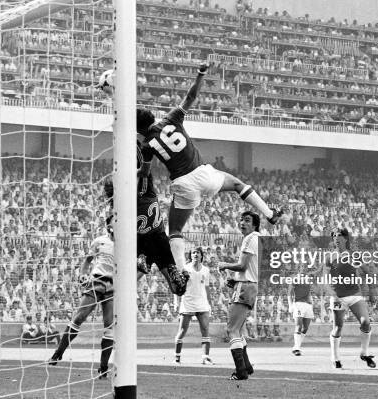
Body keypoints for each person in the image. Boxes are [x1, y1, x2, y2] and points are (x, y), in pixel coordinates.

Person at [137, 64, 283, 273]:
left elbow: (144, 172)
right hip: (204, 174)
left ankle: (180, 272)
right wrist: (200, 75)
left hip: (183, 183)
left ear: (139, 129)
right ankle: (270, 214)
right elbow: (191, 96)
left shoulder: (146, 145)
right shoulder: (171, 119)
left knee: (176, 230)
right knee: (237, 184)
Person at [103, 144, 189, 296]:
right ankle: (142, 262)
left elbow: (142, 168)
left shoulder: (139, 193)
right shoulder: (123, 205)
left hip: (153, 243)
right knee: (118, 288)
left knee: (178, 290)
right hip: (150, 243)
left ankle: (176, 274)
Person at [48, 216, 115, 379]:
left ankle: (103, 368)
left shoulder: (128, 243)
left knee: (109, 327)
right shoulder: (99, 241)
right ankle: (58, 354)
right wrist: (83, 275)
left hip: (114, 286)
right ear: (108, 225)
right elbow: (87, 261)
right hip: (97, 281)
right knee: (79, 318)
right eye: (114, 220)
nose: (117, 222)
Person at [324, 228, 376, 369]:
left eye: (339, 235)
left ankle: (364, 354)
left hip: (354, 295)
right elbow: (325, 279)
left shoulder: (354, 255)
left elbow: (367, 272)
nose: (336, 237)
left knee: (366, 322)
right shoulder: (329, 257)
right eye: (334, 235)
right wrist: (332, 294)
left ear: (346, 238)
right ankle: (335, 358)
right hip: (338, 297)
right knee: (338, 328)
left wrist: (371, 291)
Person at [218, 211, 260, 380]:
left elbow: (242, 265)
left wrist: (224, 265)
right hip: (250, 286)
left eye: (247, 220)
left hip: (246, 287)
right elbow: (249, 269)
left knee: (232, 329)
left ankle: (241, 372)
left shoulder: (250, 239)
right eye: (241, 219)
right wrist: (235, 280)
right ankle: (247, 367)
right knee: (239, 329)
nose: (242, 223)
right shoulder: (258, 239)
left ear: (255, 224)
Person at [174, 247, 213, 365]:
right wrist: (177, 302)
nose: (195, 254)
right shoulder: (185, 269)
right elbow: (179, 286)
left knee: (205, 330)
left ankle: (205, 358)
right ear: (190, 255)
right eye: (193, 253)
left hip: (202, 303)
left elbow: (206, 288)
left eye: (198, 253)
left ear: (202, 255)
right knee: (182, 331)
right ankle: (177, 358)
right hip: (188, 303)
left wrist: (210, 303)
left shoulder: (206, 270)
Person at [288, 265, 314, 356]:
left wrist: (311, 301)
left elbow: (309, 291)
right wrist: (290, 305)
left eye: (305, 267)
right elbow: (289, 293)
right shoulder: (294, 278)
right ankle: (297, 348)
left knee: (305, 328)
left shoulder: (309, 279)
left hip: (308, 305)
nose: (304, 268)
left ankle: (296, 346)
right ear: (298, 269)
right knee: (298, 326)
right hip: (298, 304)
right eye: (302, 267)